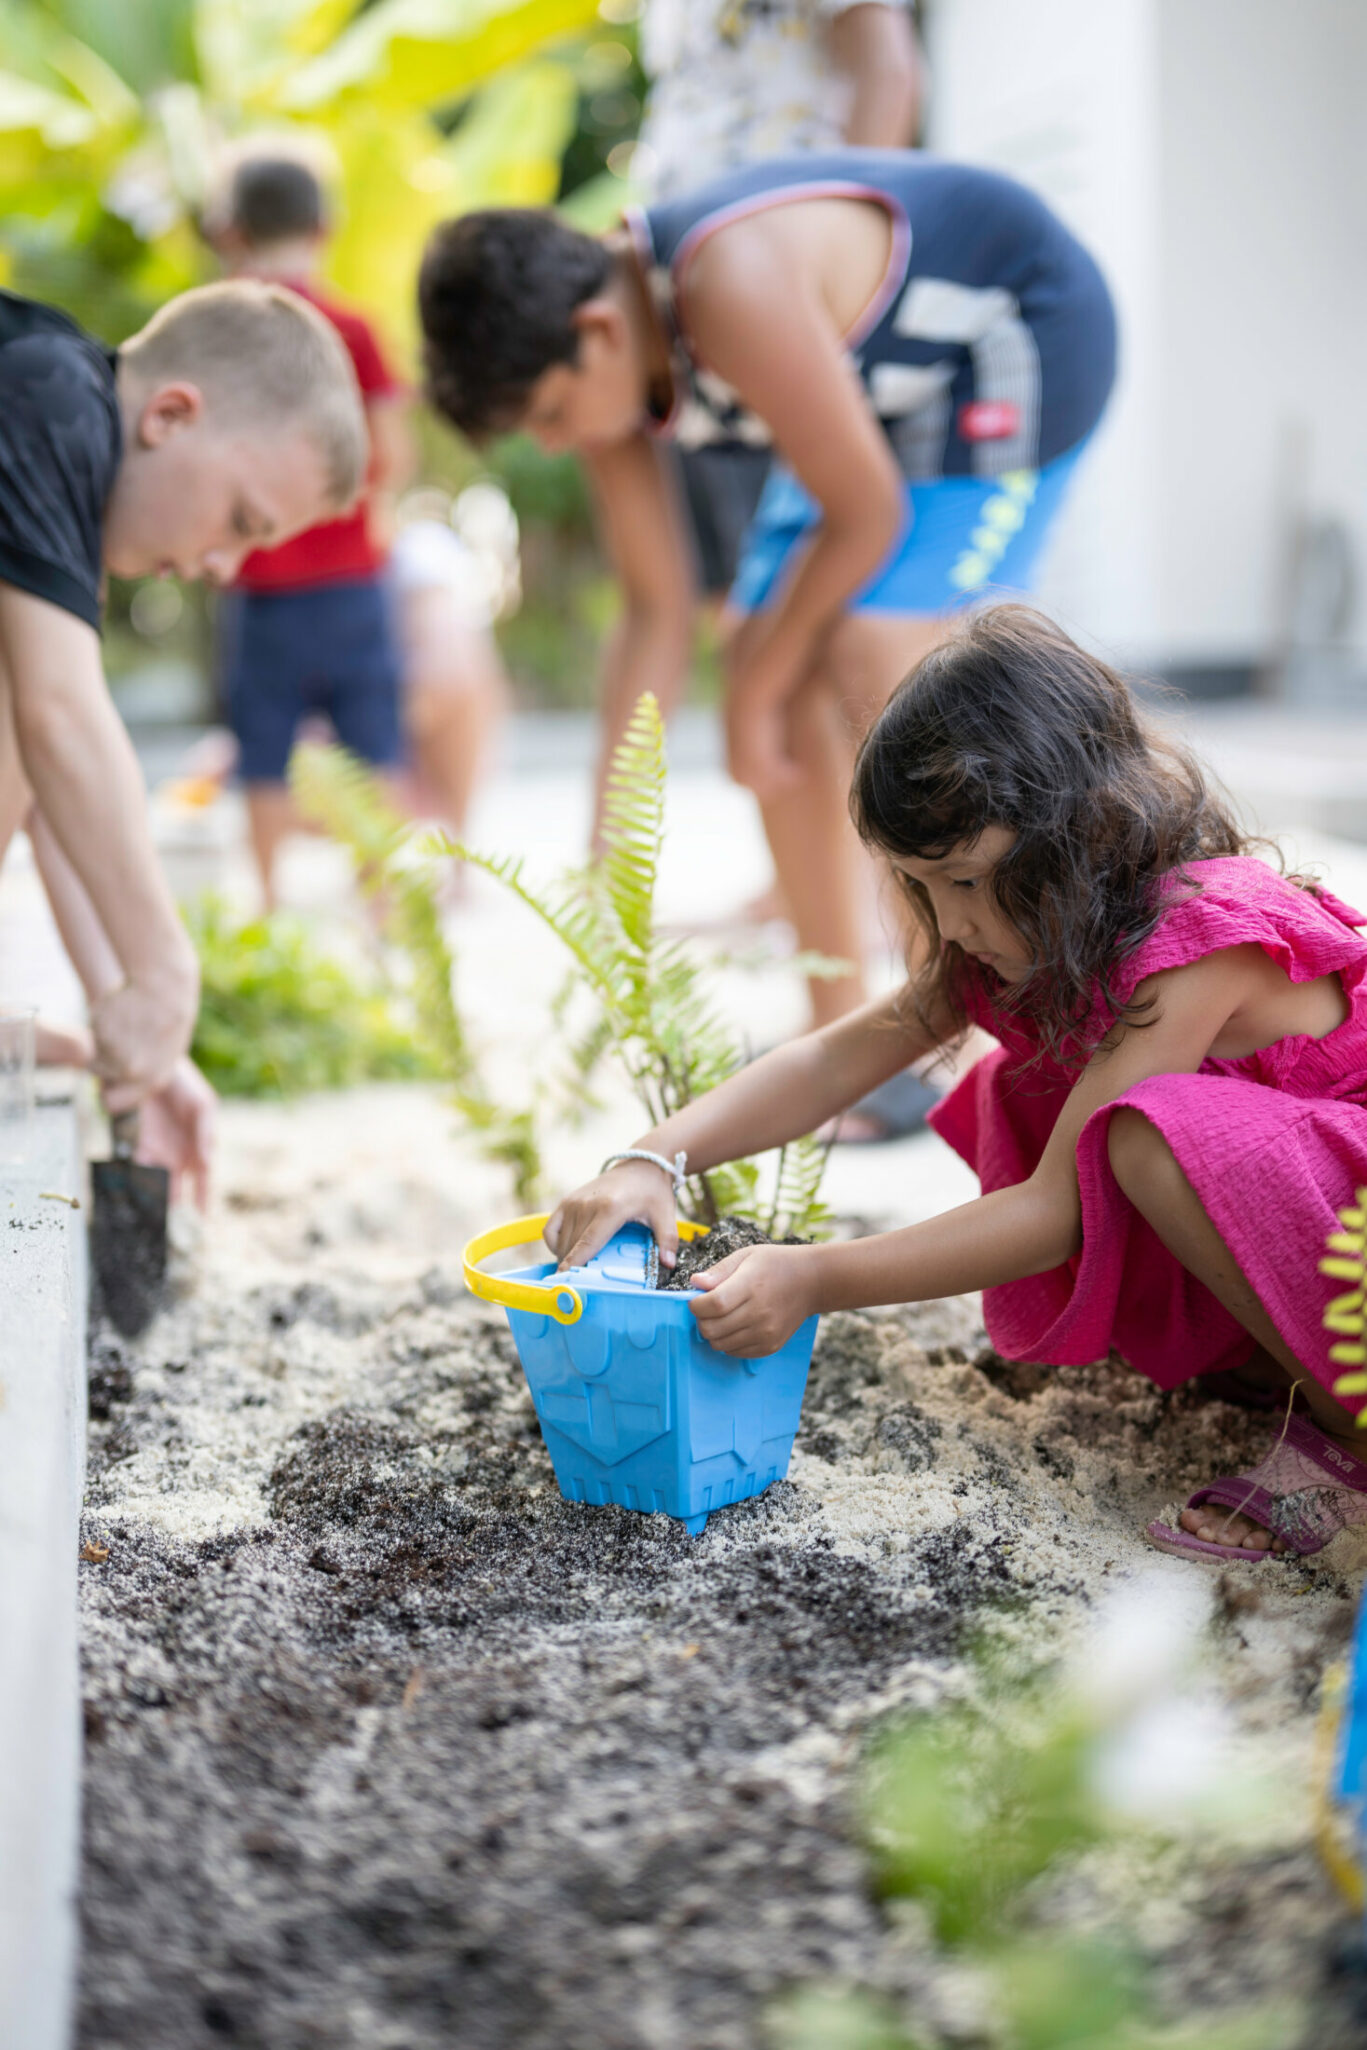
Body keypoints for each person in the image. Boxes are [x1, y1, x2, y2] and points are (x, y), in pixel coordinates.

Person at [545, 606, 1367, 1567]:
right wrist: (653, 1158)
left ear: (1081, 832)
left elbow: (1057, 1211)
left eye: (965, 881)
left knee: (1138, 1133)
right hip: (1307, 1216)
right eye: (917, 887)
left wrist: (814, 1278)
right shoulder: (1023, 932)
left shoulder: (1198, 939)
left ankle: (1350, 1441)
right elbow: (833, 1059)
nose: (947, 920)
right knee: (1032, 1088)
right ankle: (1270, 1362)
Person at [417, 151, 1116, 1049]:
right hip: (883, 398)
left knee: (869, 652)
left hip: (1015, 336)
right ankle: (849, 1033)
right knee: (757, 643)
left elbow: (865, 514)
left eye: (549, 416)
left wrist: (747, 697)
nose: (553, 443)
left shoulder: (725, 286)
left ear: (594, 331)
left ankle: (947, 1027)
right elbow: (653, 609)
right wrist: (607, 868)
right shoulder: (595, 352)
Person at [0, 276, 367, 1184]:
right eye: (239, 523)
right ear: (168, 414)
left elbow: (48, 773)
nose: (219, 567)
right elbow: (56, 718)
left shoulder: (57, 450)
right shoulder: (46, 393)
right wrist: (165, 970)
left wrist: (130, 1013)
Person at [637, 0, 925, 602]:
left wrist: (853, 259)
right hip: (690, 312)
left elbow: (888, 71)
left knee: (828, 581)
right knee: (744, 588)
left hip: (787, 297)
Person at [207, 148, 413, 903]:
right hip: (352, 576)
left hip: (256, 584)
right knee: (371, 745)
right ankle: (384, 915)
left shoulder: (214, 329)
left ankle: (268, 907)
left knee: (261, 747)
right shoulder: (351, 328)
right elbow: (391, 449)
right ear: (325, 227)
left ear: (231, 231)